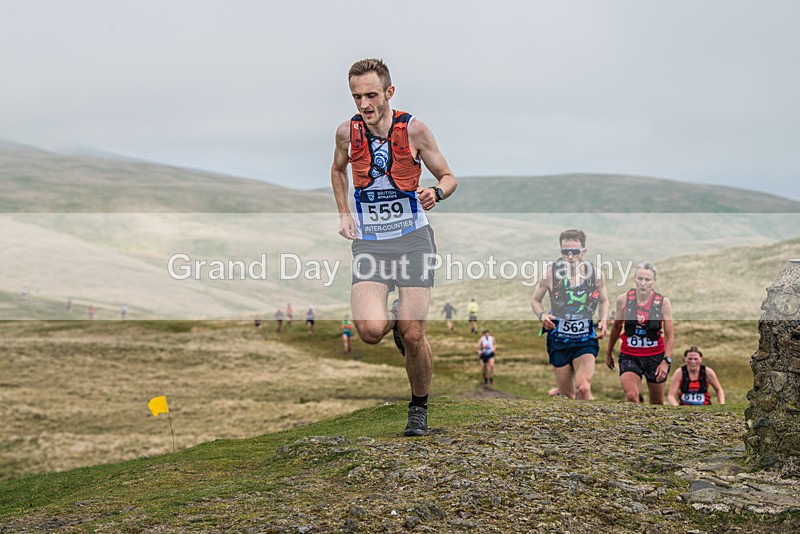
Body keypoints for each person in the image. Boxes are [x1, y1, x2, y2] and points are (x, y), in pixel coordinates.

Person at [331, 58, 457, 437]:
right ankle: (397, 319)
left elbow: (448, 177)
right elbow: (337, 169)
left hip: (413, 240)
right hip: (371, 244)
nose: (364, 104)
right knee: (370, 330)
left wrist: (436, 192)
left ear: (389, 92)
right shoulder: (346, 132)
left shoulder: (414, 130)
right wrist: (344, 214)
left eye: (371, 95)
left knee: (414, 334)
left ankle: (418, 408)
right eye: (357, 97)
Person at [531, 229, 609, 400]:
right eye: (566, 252)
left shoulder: (595, 275)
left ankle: (594, 416)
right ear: (561, 251)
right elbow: (535, 300)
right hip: (559, 340)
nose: (571, 256)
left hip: (585, 339)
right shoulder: (550, 274)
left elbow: (604, 301)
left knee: (583, 388)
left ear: (584, 251)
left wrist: (603, 319)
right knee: (567, 396)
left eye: (575, 251)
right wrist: (542, 315)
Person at [605, 262, 674, 404]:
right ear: (634, 279)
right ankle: (634, 419)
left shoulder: (663, 303)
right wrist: (608, 351)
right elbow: (617, 326)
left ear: (654, 281)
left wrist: (666, 361)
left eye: (647, 280)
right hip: (630, 355)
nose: (643, 283)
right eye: (640, 278)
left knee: (656, 403)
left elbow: (669, 335)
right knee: (631, 396)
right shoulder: (623, 300)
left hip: (655, 356)